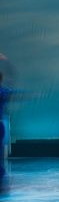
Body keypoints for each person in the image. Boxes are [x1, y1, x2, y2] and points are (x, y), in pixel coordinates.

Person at [0, 53, 14, 193]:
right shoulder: (4, 91)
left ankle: (2, 180)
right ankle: (2, 180)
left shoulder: (3, 91)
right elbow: (11, 79)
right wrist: (6, 62)